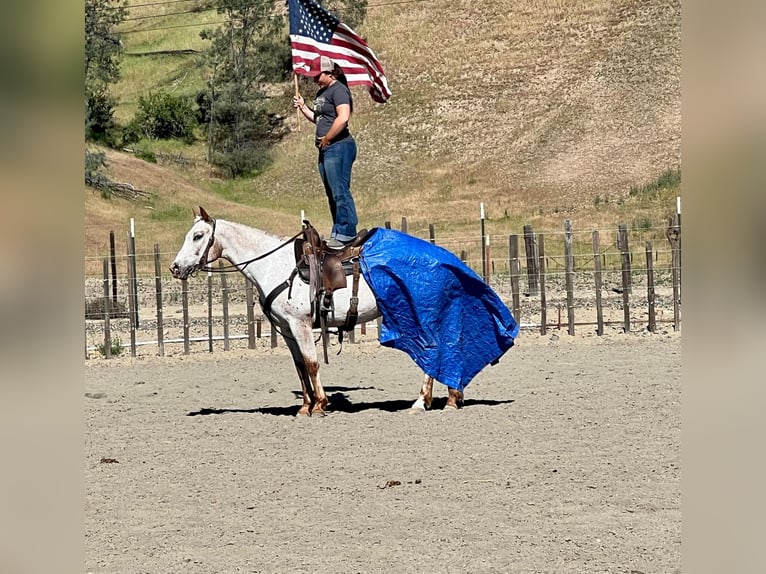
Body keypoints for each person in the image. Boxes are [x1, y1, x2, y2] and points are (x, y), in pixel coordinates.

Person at [293, 56, 359, 250]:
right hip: (325, 148)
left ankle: (347, 232)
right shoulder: (322, 92)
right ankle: (338, 231)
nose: (313, 78)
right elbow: (319, 118)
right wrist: (304, 107)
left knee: (340, 190)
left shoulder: (339, 90)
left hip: (338, 146)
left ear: (329, 73)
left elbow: (343, 117)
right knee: (331, 192)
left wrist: (328, 138)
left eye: (317, 74)